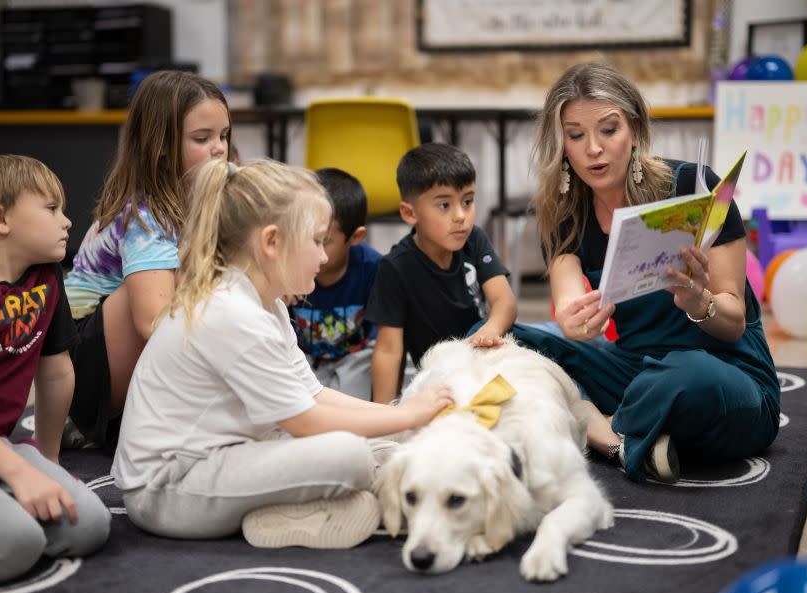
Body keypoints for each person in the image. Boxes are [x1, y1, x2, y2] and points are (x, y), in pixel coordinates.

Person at [111, 158, 453, 548]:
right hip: (167, 492)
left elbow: (314, 394)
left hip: (223, 459)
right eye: (318, 240)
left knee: (391, 446)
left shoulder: (266, 304)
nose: (324, 257)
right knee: (351, 456)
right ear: (272, 242)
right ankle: (294, 511)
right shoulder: (230, 313)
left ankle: (311, 505)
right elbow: (304, 421)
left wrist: (399, 419)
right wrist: (408, 413)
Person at [516, 62, 779, 483]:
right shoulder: (565, 214)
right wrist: (572, 321)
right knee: (503, 339)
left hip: (725, 377)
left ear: (634, 130)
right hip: (635, 370)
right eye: (576, 134)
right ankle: (619, 438)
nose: (593, 149)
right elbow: (567, 300)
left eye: (608, 129)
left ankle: (593, 424)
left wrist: (700, 302)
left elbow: (733, 326)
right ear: (561, 143)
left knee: (686, 375)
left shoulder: (693, 186)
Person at [0, 155, 111, 583]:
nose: (67, 221)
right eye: (52, 209)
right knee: (14, 547)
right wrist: (17, 475)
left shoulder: (45, 279)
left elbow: (55, 374)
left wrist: (44, 460)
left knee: (87, 525)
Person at [64, 70, 232, 449]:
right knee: (148, 299)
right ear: (160, 148)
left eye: (223, 136)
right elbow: (153, 323)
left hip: (113, 362)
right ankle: (83, 423)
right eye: (202, 139)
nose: (219, 148)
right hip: (75, 373)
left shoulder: (198, 198)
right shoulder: (146, 216)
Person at [365, 142, 518, 404]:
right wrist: (384, 417)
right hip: (439, 374)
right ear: (409, 213)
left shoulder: (475, 240)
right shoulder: (395, 267)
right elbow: (389, 350)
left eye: (468, 201)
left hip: (487, 352)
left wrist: (489, 331)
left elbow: (504, 301)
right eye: (444, 205)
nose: (461, 216)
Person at [289, 168, 381, 400]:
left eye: (323, 241)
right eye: (304, 235)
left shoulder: (373, 269)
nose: (310, 249)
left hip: (355, 359)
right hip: (305, 358)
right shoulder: (290, 266)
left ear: (355, 237)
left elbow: (385, 343)